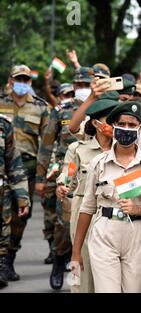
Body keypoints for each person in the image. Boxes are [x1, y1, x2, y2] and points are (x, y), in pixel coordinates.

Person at [71, 101, 141, 293]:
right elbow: (87, 207)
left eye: (132, 125)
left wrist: (138, 209)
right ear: (113, 126)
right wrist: (76, 252)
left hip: (137, 233)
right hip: (105, 231)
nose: (127, 129)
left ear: (140, 128)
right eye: (122, 124)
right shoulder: (99, 163)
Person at [56, 92, 119, 293]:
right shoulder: (78, 148)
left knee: (109, 267)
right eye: (109, 120)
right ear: (96, 123)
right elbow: (69, 171)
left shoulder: (124, 150)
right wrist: (62, 185)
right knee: (80, 260)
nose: (114, 124)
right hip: (83, 210)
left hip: (114, 211)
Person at [0, 65, 49, 281]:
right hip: (3, 165)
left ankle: (9, 258)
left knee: (21, 214)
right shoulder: (1, 102)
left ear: (30, 82)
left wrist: (41, 176)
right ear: (10, 81)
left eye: (26, 79)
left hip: (26, 169)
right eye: (18, 78)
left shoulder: (40, 107)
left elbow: (47, 144)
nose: (22, 82)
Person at [35, 80, 80, 289]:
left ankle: (81, 275)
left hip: (95, 169)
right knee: (64, 222)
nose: (83, 86)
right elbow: (46, 144)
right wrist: (40, 177)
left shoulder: (102, 107)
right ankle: (59, 260)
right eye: (79, 83)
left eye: (87, 83)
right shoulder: (61, 111)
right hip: (66, 170)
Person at [0, 114, 30, 288]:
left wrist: (22, 197)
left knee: (4, 232)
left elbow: (14, 164)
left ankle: (2, 266)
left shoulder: (4, 126)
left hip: (2, 191)